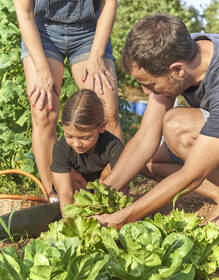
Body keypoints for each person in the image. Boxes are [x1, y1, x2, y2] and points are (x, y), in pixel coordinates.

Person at [94, 12, 219, 229]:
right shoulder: (178, 53)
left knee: (177, 126)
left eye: (150, 85)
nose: (145, 91)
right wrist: (104, 192)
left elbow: (192, 175)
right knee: (147, 162)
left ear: (177, 70)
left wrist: (125, 216)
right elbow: (144, 140)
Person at [13, 0, 123, 199]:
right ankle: (53, 194)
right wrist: (42, 70)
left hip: (90, 32)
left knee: (107, 112)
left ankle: (112, 190)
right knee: (43, 112)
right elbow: (25, 14)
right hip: (42, 32)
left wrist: (96, 56)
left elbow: (109, 3)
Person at [50, 89, 124, 216]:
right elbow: (65, 193)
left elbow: (121, 188)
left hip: (103, 190)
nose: (77, 144)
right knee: (60, 175)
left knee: (115, 169)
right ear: (62, 127)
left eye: (85, 138)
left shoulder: (113, 146)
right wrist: (70, 223)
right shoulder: (61, 148)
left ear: (102, 127)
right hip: (74, 191)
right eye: (69, 136)